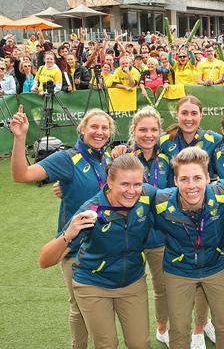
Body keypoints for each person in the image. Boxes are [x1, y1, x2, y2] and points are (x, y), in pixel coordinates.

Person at [11, 108, 116, 349]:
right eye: (94, 127)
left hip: (107, 247)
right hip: (76, 250)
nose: (99, 132)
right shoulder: (67, 159)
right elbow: (22, 175)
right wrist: (19, 137)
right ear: (82, 129)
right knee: (78, 307)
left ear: (110, 132)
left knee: (101, 306)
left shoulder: (107, 160)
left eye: (104, 128)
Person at [38, 155, 153, 349]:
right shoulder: (91, 210)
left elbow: (176, 198)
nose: (132, 191)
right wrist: (69, 233)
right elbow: (45, 260)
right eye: (125, 184)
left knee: (140, 344)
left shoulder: (147, 196)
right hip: (94, 284)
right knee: (106, 344)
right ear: (109, 181)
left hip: (132, 281)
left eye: (137, 184)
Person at [153, 147, 224, 349]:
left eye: (197, 178)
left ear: (208, 178)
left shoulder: (223, 192)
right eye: (184, 179)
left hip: (216, 267)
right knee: (179, 328)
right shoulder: (160, 201)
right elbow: (127, 190)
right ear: (175, 181)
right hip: (178, 270)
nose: (191, 185)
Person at [124, 106, 172, 345]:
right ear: (133, 130)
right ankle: (135, 334)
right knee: (132, 290)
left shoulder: (166, 158)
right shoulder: (122, 158)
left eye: (154, 129)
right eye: (143, 129)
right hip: (128, 235)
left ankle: (162, 327)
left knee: (162, 287)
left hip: (158, 234)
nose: (148, 134)